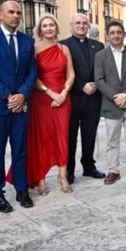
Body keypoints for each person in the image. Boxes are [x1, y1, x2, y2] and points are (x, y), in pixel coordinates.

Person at [0, 0, 37, 212]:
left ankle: (22, 189)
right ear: (1, 15)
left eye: (18, 13)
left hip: (21, 106)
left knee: (20, 150)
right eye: (11, 12)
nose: (15, 16)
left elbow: (32, 71)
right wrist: (9, 96)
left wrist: (22, 95)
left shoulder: (27, 40)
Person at [19, 14, 74, 194]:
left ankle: (62, 176)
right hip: (42, 98)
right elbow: (32, 76)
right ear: (40, 30)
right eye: (45, 26)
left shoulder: (64, 49)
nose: (49, 28)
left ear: (56, 28)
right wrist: (51, 93)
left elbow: (71, 74)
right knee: (42, 138)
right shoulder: (33, 48)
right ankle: (41, 178)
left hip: (63, 99)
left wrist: (64, 93)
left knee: (62, 136)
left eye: (51, 25)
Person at [94, 20, 126, 184]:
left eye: (119, 32)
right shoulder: (100, 56)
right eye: (112, 33)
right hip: (111, 105)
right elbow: (99, 80)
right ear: (107, 36)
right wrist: (117, 97)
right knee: (112, 141)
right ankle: (113, 170)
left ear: (123, 34)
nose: (116, 35)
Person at [60, 13, 105, 184]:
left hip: (93, 97)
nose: (81, 26)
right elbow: (62, 72)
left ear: (89, 26)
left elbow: (103, 69)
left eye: (85, 23)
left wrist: (96, 84)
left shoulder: (98, 46)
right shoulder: (63, 45)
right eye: (78, 23)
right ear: (71, 25)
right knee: (70, 135)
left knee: (90, 134)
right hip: (72, 98)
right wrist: (81, 85)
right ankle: (69, 169)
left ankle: (89, 166)